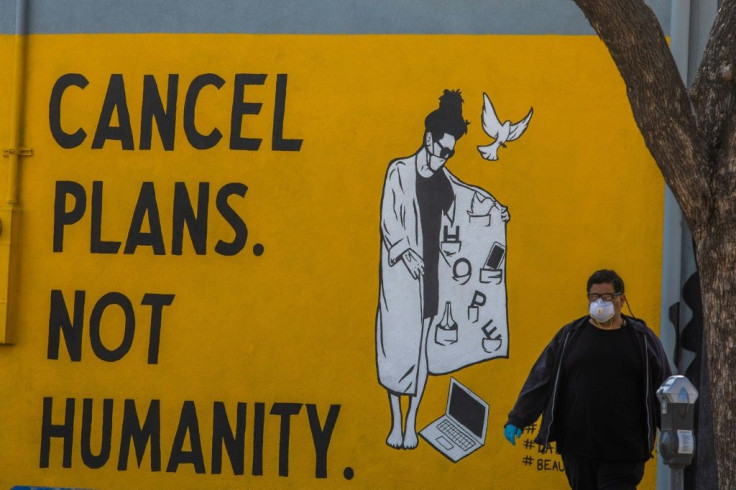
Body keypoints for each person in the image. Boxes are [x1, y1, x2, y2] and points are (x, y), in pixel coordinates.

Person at [376, 89, 509, 449]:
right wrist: (405, 252)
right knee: (394, 349)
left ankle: (411, 424)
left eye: (449, 153)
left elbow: (470, 196)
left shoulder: (444, 179)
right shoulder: (399, 172)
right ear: (427, 139)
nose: (443, 158)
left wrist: (497, 211)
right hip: (403, 281)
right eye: (440, 149)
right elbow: (389, 218)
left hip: (433, 278)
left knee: (420, 352)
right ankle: (394, 421)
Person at [504, 269, 671, 489]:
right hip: (577, 446)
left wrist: (672, 428)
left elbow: (665, 385)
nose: (600, 302)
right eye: (594, 297)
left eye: (607, 297)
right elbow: (541, 376)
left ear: (622, 299)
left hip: (625, 449)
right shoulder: (570, 335)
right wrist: (519, 417)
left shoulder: (642, 338)